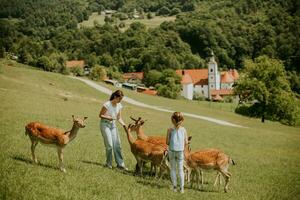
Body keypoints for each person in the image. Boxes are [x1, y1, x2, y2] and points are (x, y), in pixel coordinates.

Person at [99, 90, 128, 171]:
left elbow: (119, 118)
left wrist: (124, 125)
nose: (120, 101)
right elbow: (100, 115)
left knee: (117, 145)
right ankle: (108, 164)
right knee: (110, 145)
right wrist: (109, 117)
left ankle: (120, 165)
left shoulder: (119, 105)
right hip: (105, 125)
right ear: (115, 97)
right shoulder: (107, 104)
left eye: (121, 99)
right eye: (119, 99)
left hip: (113, 126)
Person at [166, 112, 188, 193]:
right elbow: (186, 142)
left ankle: (175, 187)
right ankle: (182, 189)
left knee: (173, 169)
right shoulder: (184, 130)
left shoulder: (169, 130)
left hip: (172, 151)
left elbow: (167, 142)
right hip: (180, 152)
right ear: (182, 120)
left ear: (172, 120)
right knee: (180, 170)